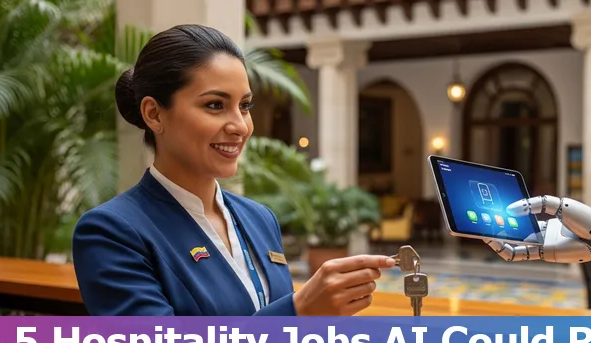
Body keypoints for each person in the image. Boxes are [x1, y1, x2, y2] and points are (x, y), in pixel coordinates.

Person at [71, 24, 395, 316]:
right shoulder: (112, 232)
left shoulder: (259, 219)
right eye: (215, 105)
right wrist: (299, 312)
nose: (240, 126)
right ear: (154, 114)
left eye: (245, 106)